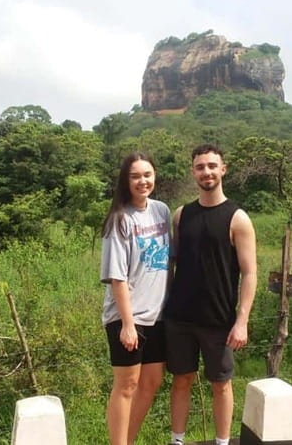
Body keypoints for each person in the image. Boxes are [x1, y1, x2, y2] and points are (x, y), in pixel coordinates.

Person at [164, 144, 257, 445]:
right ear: (193, 171)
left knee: (221, 384)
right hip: (179, 318)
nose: (207, 172)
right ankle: (177, 440)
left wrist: (241, 321)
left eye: (212, 166)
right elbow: (171, 264)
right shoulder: (181, 215)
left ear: (223, 169)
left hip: (219, 320)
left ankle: (222, 442)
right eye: (200, 166)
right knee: (181, 381)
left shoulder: (237, 218)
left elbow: (250, 273)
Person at [100, 152, 172, 445]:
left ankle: (128, 440)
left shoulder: (161, 211)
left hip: (157, 315)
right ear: (125, 181)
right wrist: (128, 325)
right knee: (126, 385)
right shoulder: (119, 220)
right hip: (127, 316)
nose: (142, 181)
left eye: (147, 175)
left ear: (154, 176)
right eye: (135, 176)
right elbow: (117, 277)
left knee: (152, 382)